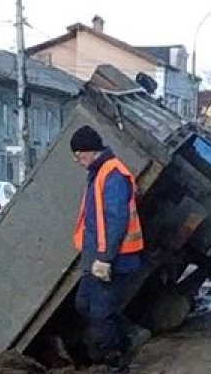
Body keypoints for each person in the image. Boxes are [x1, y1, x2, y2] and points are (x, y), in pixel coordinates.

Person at [70, 125, 144, 373]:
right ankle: (130, 334)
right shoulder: (98, 172)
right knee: (84, 303)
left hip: (113, 258)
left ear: (90, 151)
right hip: (98, 257)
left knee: (101, 312)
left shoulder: (111, 174)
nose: (76, 160)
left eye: (78, 154)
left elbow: (115, 219)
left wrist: (105, 258)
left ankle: (115, 359)